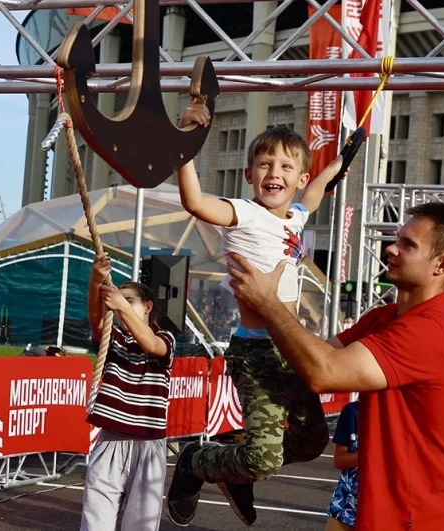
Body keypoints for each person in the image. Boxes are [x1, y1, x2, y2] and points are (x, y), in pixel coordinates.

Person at [208, 201, 444, 530]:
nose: (392, 248)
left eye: (408, 244)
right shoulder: (385, 318)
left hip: (424, 518)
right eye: (397, 238)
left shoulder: (428, 332)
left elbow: (325, 372)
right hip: (389, 513)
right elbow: (313, 354)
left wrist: (268, 303)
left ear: (441, 265)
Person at [166, 101, 343, 526]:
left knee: (315, 441)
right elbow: (192, 200)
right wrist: (186, 139)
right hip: (257, 352)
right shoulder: (243, 214)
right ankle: (197, 462)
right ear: (249, 175)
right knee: (265, 457)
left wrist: (337, 163)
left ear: (297, 179)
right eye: (264, 165)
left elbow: (315, 193)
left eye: (285, 167)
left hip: (292, 350)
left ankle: (238, 466)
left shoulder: (296, 218)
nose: (273, 173)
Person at [81, 254, 176, 531]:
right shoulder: (115, 338)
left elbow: (151, 345)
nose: (120, 305)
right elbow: (96, 320)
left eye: (130, 300)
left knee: (141, 525)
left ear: (148, 307)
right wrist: (95, 280)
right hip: (110, 442)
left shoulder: (165, 338)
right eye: (118, 300)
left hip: (149, 446)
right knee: (95, 522)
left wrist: (120, 305)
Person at [326, 401, 359, 531]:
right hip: (346, 497)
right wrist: (369, 455)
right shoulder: (352, 411)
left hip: (384, 500)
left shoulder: (402, 413)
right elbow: (339, 460)